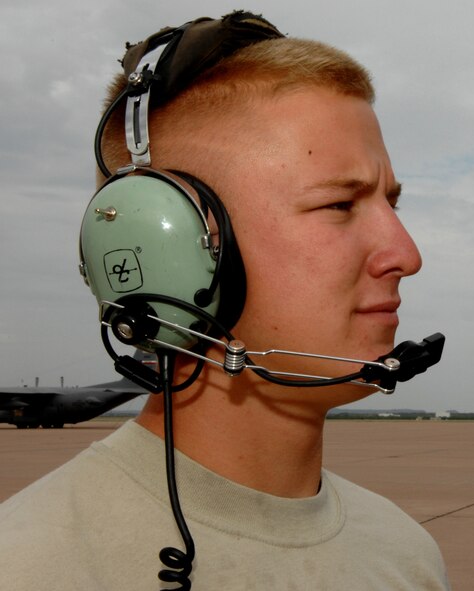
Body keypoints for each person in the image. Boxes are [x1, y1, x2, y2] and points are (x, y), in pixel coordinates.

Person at [0, 12, 450, 590]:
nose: (406, 255)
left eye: (392, 204)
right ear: (165, 250)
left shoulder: (407, 554)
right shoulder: (27, 568)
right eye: (339, 205)